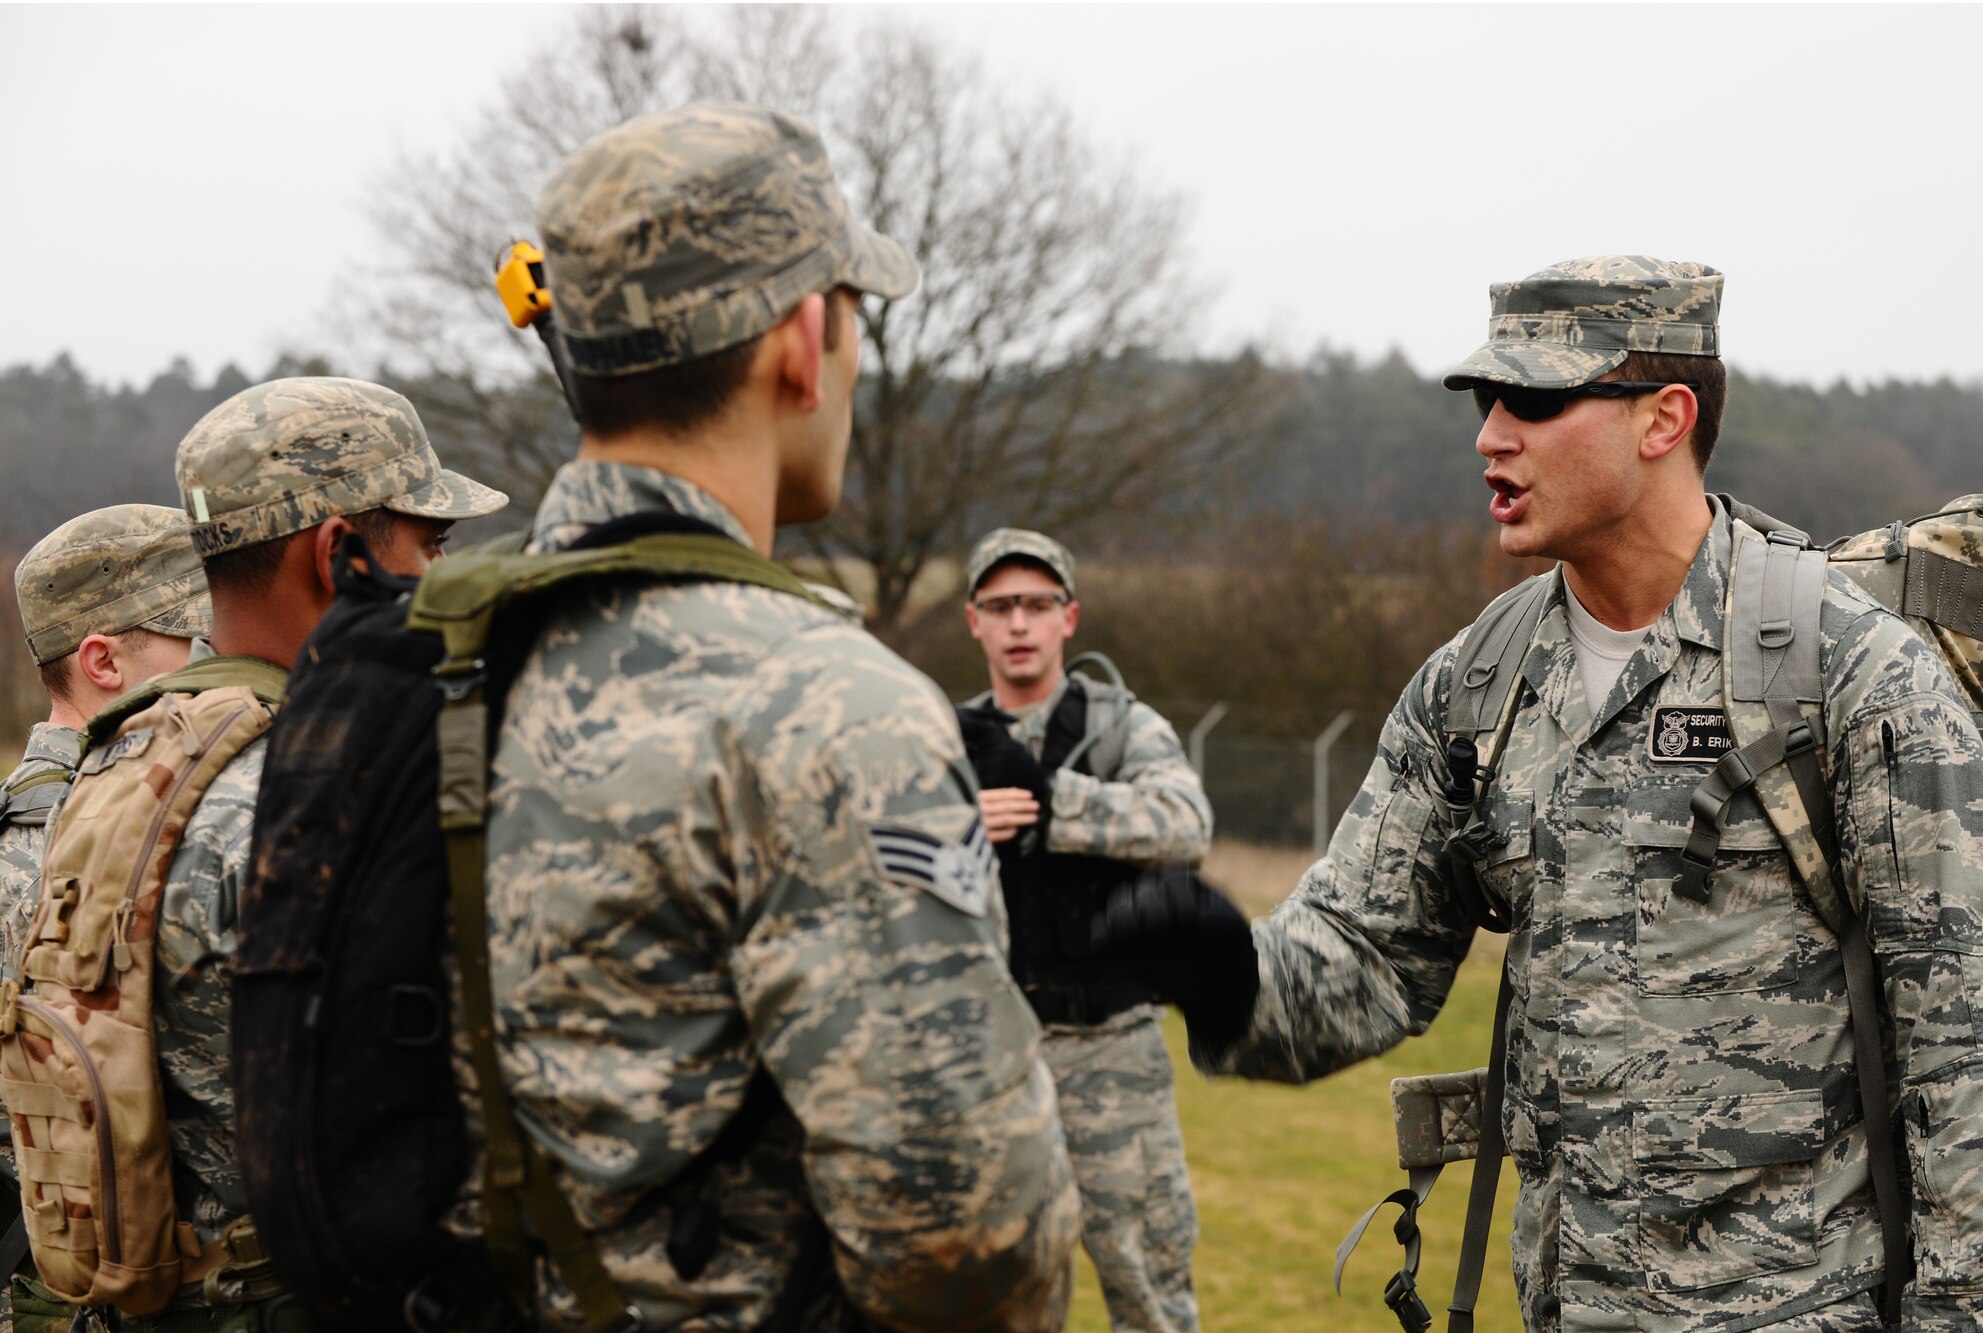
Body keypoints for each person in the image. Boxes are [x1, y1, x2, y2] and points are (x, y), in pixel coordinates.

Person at [1106, 256, 1983, 1330]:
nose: (1490, 434)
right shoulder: (1476, 683)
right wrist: (1219, 970)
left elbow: (1966, 1057)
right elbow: (1365, 954)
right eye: (1485, 401)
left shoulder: (1842, 671)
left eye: (1533, 399)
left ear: (1662, 418)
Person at [483, 102, 1079, 1331]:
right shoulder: (827, 709)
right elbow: (969, 1245)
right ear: (804, 342)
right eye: (855, 316)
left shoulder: (417, 665)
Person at [115, 376, 505, 1332]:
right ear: (338, 555)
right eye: (432, 543)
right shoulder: (307, 794)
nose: (443, 574)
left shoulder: (122, 757)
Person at [956, 528, 1212, 1333]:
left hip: (1111, 1054)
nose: (1019, 623)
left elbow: (1185, 824)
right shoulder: (943, 738)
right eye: (1001, 607)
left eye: (1036, 604)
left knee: (1147, 1289)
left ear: (1070, 617)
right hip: (989, 1057)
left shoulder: (1120, 727)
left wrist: (1055, 806)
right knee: (997, 1293)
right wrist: (957, 823)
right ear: (974, 622)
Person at [0, 504, 212, 1333]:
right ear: (103, 662)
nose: (211, 668)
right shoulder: (69, 846)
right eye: (192, 642)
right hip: (78, 1291)